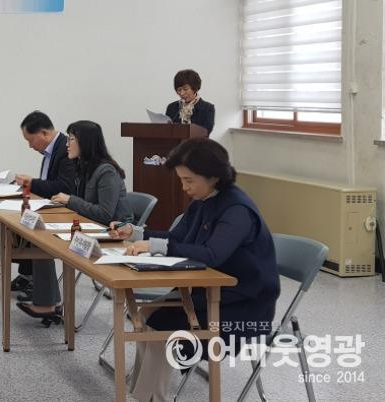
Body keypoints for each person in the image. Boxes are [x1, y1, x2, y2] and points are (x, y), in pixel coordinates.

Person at [109, 138, 279, 401]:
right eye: (181, 180)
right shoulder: (203, 200)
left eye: (189, 180)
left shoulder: (237, 209)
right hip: (209, 293)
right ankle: (145, 393)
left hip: (243, 305)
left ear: (213, 176)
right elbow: (176, 238)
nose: (184, 187)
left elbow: (212, 254)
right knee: (145, 314)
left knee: (160, 325)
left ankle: (150, 397)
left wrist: (155, 246)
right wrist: (136, 233)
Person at [17, 120, 132, 323]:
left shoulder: (106, 171)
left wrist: (70, 200)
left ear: (85, 143)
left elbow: (105, 215)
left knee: (45, 242)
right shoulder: (83, 167)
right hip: (88, 226)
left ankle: (47, 304)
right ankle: (48, 302)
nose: (67, 144)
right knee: (41, 237)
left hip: (112, 233)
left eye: (71, 139)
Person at [10, 111, 76, 297]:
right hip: (50, 206)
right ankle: (28, 274)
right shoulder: (50, 151)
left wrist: (32, 183)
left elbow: (63, 188)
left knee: (32, 227)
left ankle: (40, 286)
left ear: (44, 133)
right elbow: (48, 184)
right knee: (16, 220)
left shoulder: (65, 150)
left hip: (66, 211)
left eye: (31, 140)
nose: (30, 146)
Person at [164, 69, 215, 133]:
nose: (182, 93)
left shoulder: (207, 108)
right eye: (179, 90)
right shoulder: (171, 107)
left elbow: (206, 131)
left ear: (195, 88)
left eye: (185, 89)